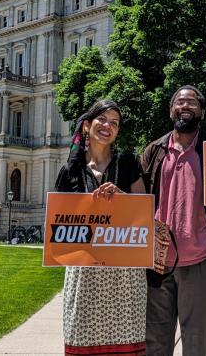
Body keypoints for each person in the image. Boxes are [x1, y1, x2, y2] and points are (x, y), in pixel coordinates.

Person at [141, 85, 206, 355]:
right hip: (157, 264)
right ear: (171, 111)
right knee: (155, 343)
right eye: (180, 102)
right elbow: (137, 202)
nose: (186, 106)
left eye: (192, 102)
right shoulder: (153, 152)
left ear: (201, 111)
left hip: (203, 259)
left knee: (198, 344)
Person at [55, 99, 148, 356]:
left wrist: (122, 199)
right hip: (84, 276)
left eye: (114, 123)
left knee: (126, 345)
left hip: (125, 276)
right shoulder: (70, 171)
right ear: (87, 125)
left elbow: (145, 215)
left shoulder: (128, 163)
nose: (108, 126)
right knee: (82, 340)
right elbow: (58, 228)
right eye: (102, 120)